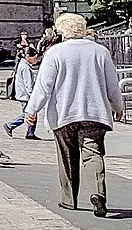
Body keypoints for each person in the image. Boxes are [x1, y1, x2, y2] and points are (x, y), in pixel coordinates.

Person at [24, 12, 125, 216]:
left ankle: (69, 199)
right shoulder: (100, 52)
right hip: (94, 113)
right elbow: (112, 85)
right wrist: (117, 106)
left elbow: (44, 86)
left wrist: (32, 109)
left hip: (64, 114)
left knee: (67, 156)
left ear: (62, 31)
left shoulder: (56, 53)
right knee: (94, 154)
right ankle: (99, 193)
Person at [5, 28, 50, 139]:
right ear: (28, 57)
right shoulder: (25, 67)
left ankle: (30, 132)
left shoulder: (23, 64)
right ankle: (10, 125)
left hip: (22, 94)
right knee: (28, 114)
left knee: (31, 113)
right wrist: (32, 96)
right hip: (25, 95)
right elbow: (28, 84)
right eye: (34, 57)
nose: (35, 60)